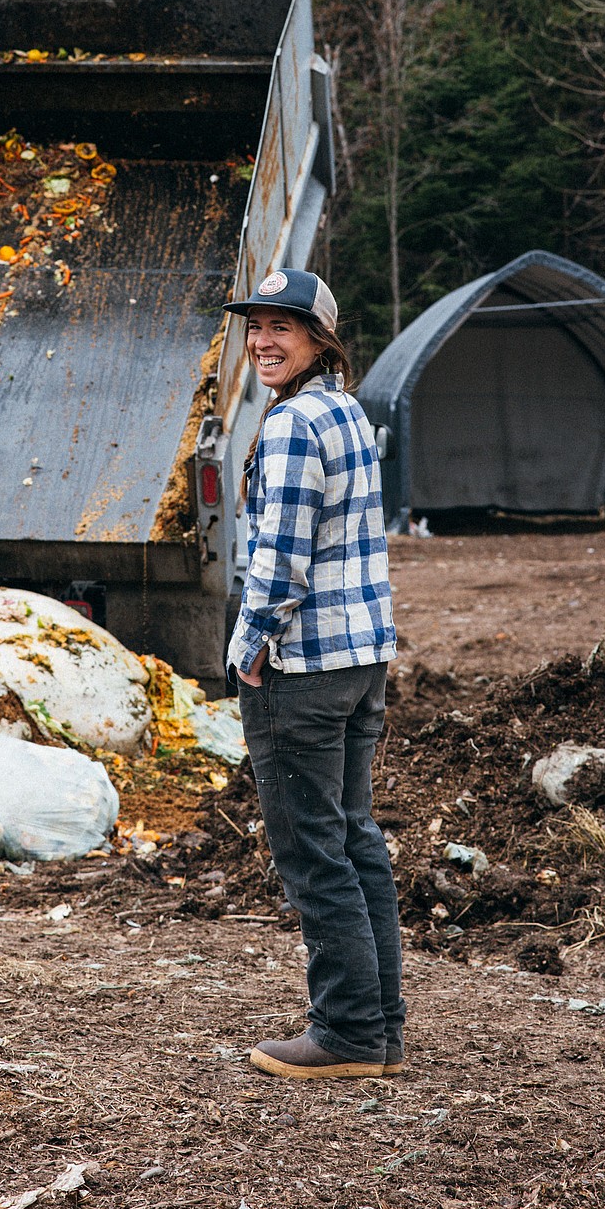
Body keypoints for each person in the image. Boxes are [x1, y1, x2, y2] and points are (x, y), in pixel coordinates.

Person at [223, 269, 401, 1080]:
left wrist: (246, 648)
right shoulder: (347, 411)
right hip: (361, 659)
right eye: (256, 326)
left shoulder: (295, 423)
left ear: (319, 340)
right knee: (356, 841)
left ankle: (347, 1033)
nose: (263, 340)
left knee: (314, 853)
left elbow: (281, 560)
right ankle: (380, 1028)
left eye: (282, 327)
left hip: (303, 666)